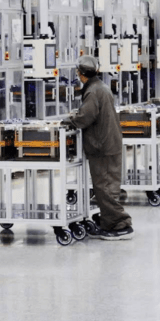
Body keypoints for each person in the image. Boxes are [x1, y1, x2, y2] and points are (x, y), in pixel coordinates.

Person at [63, 55, 133, 240]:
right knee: (105, 187)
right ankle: (109, 222)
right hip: (107, 144)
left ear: (80, 73)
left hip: (103, 147)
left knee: (106, 188)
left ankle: (120, 225)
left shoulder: (93, 91)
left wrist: (70, 120)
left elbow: (87, 117)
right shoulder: (99, 87)